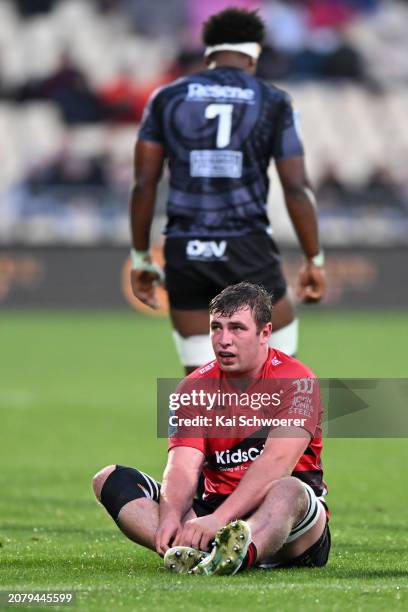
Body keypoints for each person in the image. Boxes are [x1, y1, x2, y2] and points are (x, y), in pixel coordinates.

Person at [129, 8, 326, 375]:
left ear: (208, 54)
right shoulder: (273, 101)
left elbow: (144, 184)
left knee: (200, 380)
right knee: (277, 372)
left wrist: (141, 258)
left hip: (186, 248)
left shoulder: (166, 98)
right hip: (245, 245)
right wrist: (314, 259)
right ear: (254, 55)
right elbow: (296, 188)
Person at [92, 282, 330, 575]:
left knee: (290, 489)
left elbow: (275, 463)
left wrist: (219, 519)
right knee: (109, 479)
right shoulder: (193, 388)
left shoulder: (297, 381)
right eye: (216, 327)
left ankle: (235, 552)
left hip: (291, 529)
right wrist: (169, 516)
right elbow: (182, 468)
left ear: (265, 333)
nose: (223, 340)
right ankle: (200, 551)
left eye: (237, 328)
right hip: (214, 516)